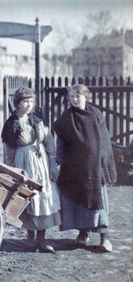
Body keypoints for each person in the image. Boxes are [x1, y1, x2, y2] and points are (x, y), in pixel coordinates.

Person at [54, 84, 116, 252]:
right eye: (72, 97)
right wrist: (60, 161)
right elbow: (60, 143)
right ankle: (83, 233)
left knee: (99, 202)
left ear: (86, 97)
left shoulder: (95, 114)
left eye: (78, 96)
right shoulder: (66, 118)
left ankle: (105, 236)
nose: (75, 99)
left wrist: (103, 163)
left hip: (95, 167)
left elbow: (104, 140)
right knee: (80, 201)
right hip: (75, 168)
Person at [1, 87, 61, 253]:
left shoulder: (37, 119)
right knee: (27, 196)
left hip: (41, 161)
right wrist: (12, 171)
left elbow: (48, 141)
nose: (28, 105)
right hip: (23, 162)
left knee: (43, 196)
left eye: (30, 101)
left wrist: (52, 162)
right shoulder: (12, 124)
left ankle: (42, 238)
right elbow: (9, 151)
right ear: (18, 103)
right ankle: (30, 237)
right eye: (25, 101)